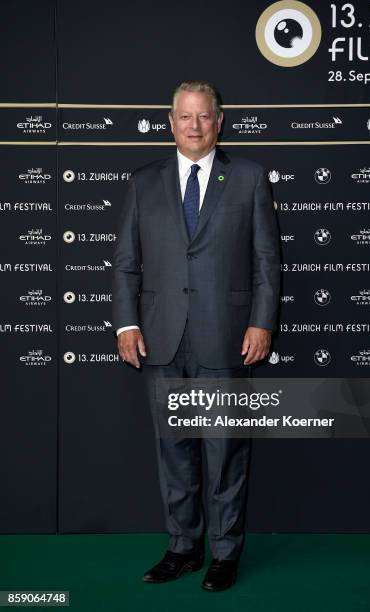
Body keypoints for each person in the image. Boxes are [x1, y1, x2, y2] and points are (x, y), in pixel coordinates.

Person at [112, 80, 280, 591]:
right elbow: (125, 265)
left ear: (219, 121)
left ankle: (225, 554)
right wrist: (127, 322)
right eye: (184, 116)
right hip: (162, 340)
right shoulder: (144, 182)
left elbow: (267, 260)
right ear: (171, 122)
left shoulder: (248, 178)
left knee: (226, 449)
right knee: (175, 449)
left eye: (204, 116)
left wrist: (262, 321)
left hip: (226, 336)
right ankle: (183, 547)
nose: (194, 125)